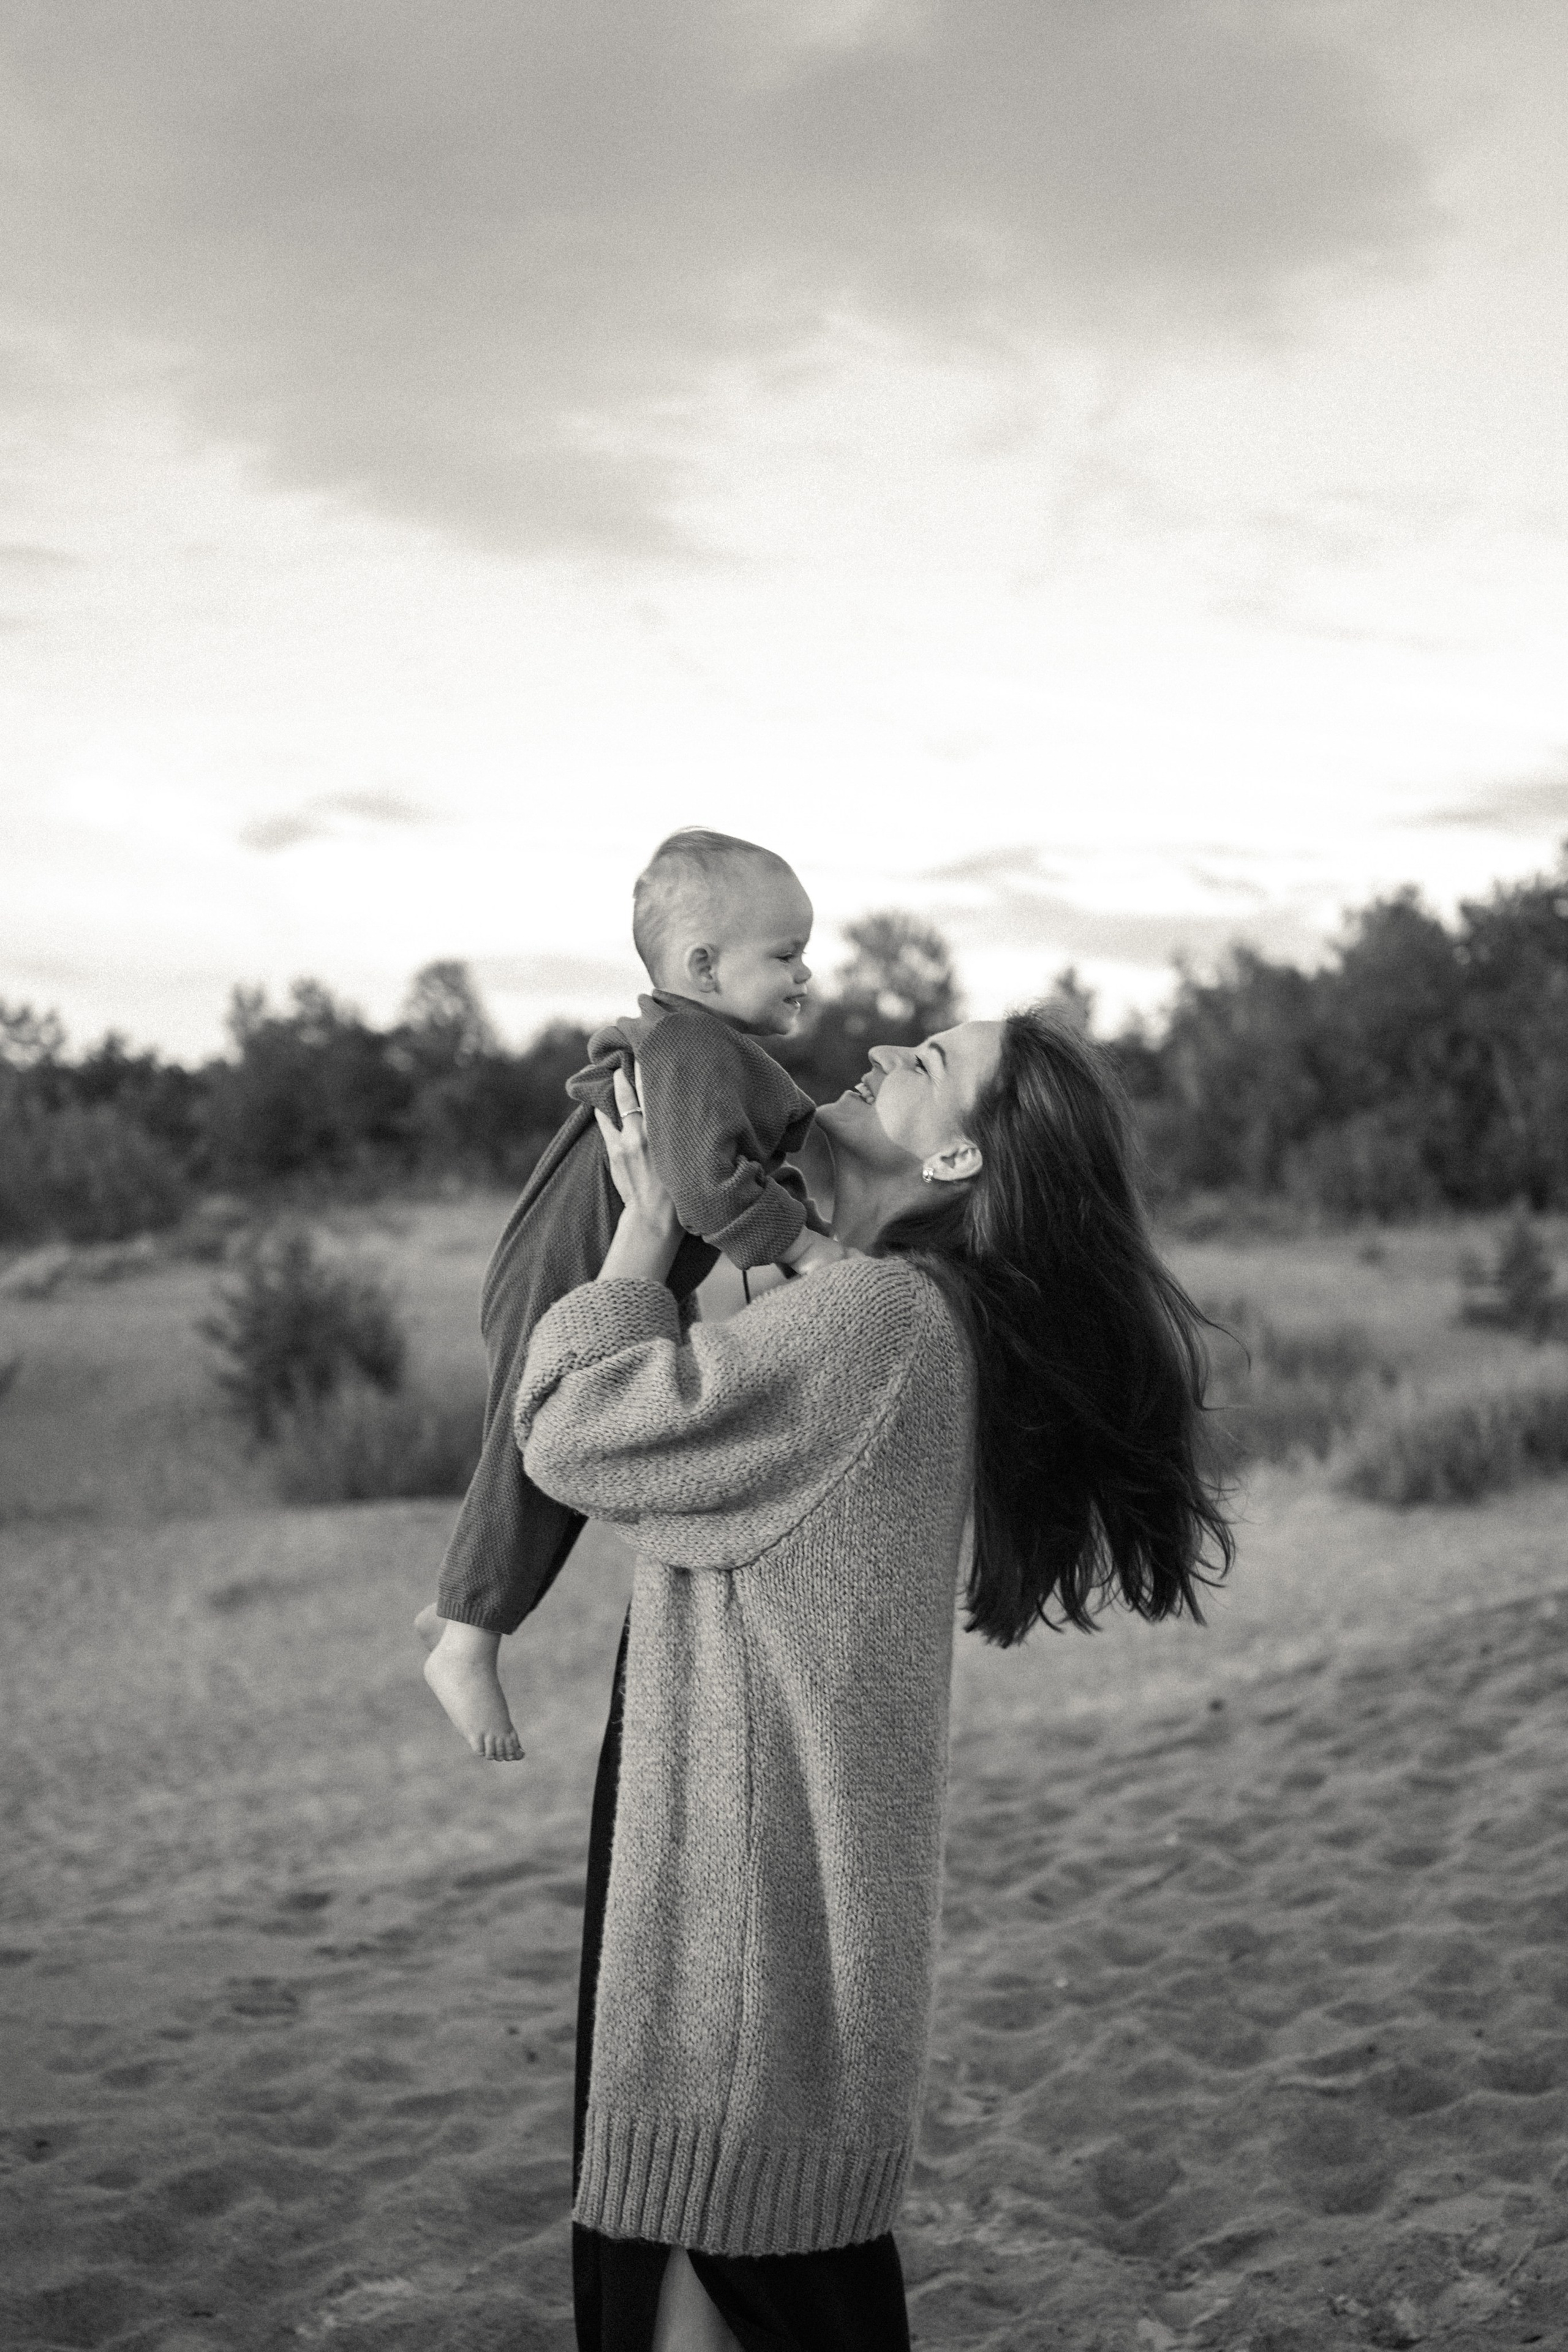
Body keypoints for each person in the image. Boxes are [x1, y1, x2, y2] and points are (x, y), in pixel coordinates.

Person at [508, 1008, 1233, 2352]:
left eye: (931, 1065)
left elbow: (572, 1430)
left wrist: (643, 1231)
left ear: (958, 1160)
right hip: (778, 1911)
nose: (890, 1052)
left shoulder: (879, 1321)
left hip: (740, 1930)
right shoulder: (908, 1312)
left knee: (704, 2276)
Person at [421, 827, 845, 1761]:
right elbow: (708, 1188)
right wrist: (808, 1250)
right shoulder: (692, 1045)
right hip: (567, 1268)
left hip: (606, 1268)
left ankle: (465, 1599)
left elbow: (739, 1170)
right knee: (544, 1446)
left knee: (588, 1439)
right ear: (704, 965)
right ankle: (467, 1636)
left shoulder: (700, 1047)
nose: (805, 974)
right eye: (786, 955)